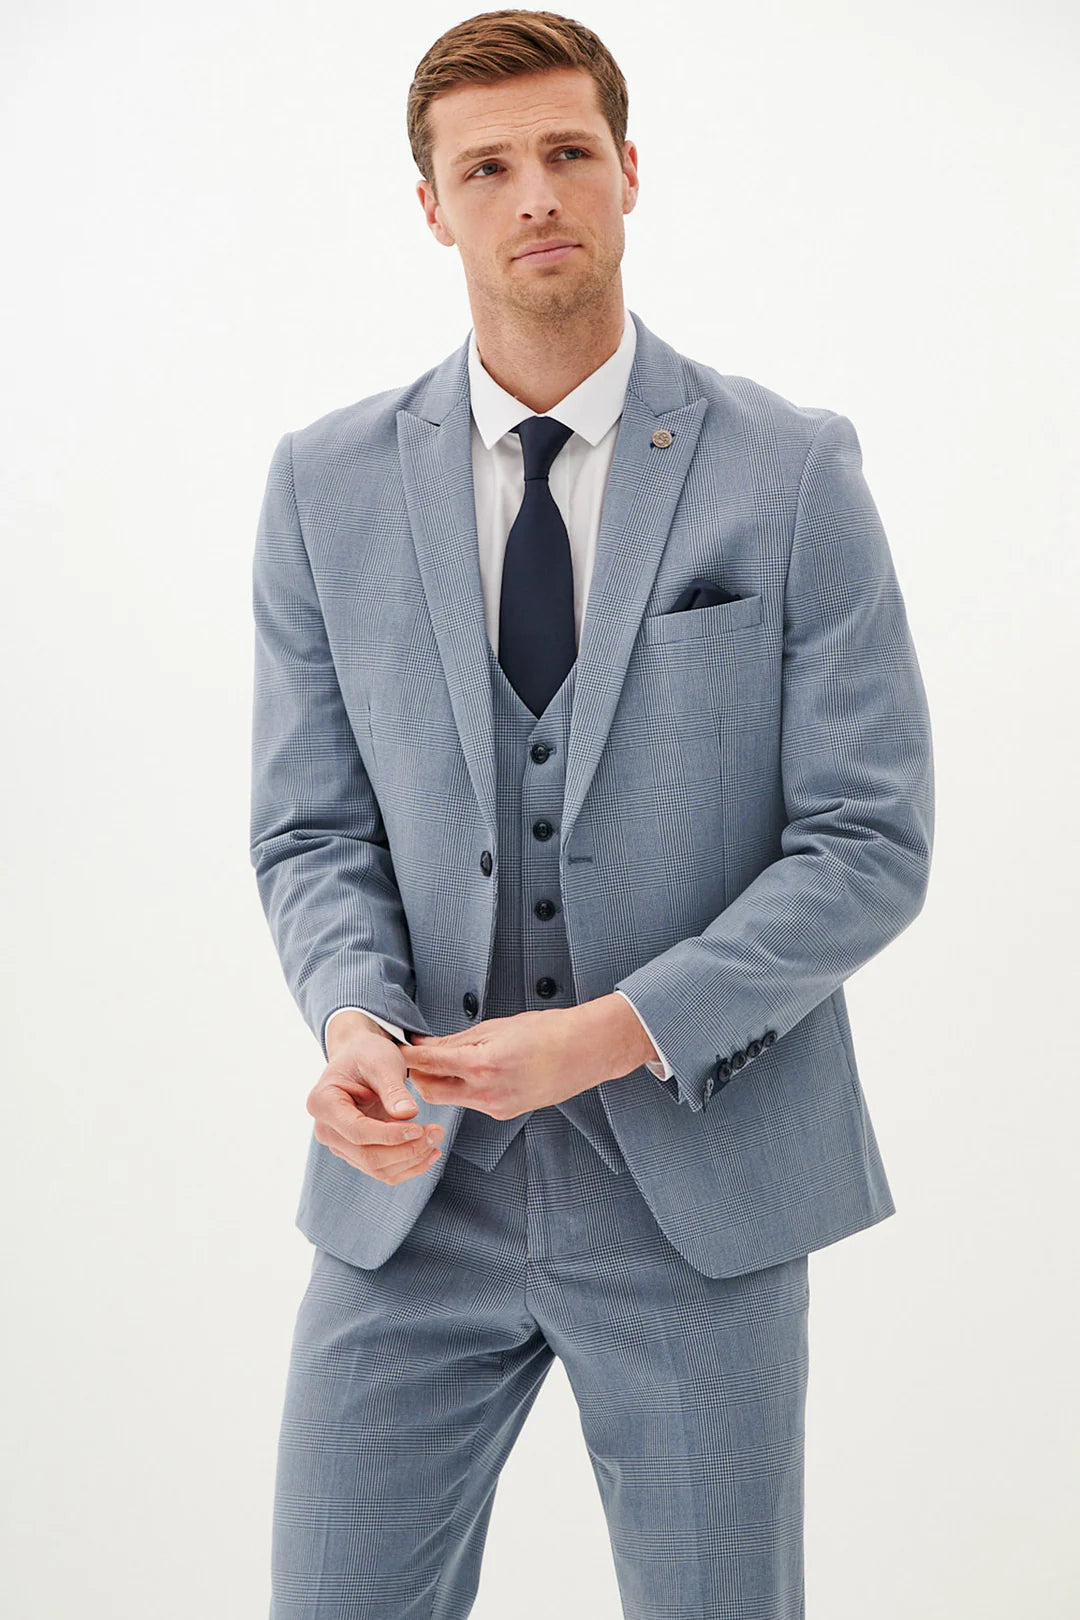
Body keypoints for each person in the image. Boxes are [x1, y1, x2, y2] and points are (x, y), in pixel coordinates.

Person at [249, 10, 934, 1617]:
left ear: (629, 171)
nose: (536, 194)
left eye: (568, 152)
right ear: (433, 206)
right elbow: (311, 831)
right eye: (487, 167)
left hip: (699, 1191)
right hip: (416, 1191)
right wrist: (354, 1018)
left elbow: (868, 841)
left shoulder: (791, 471)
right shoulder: (324, 487)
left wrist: (621, 1030)